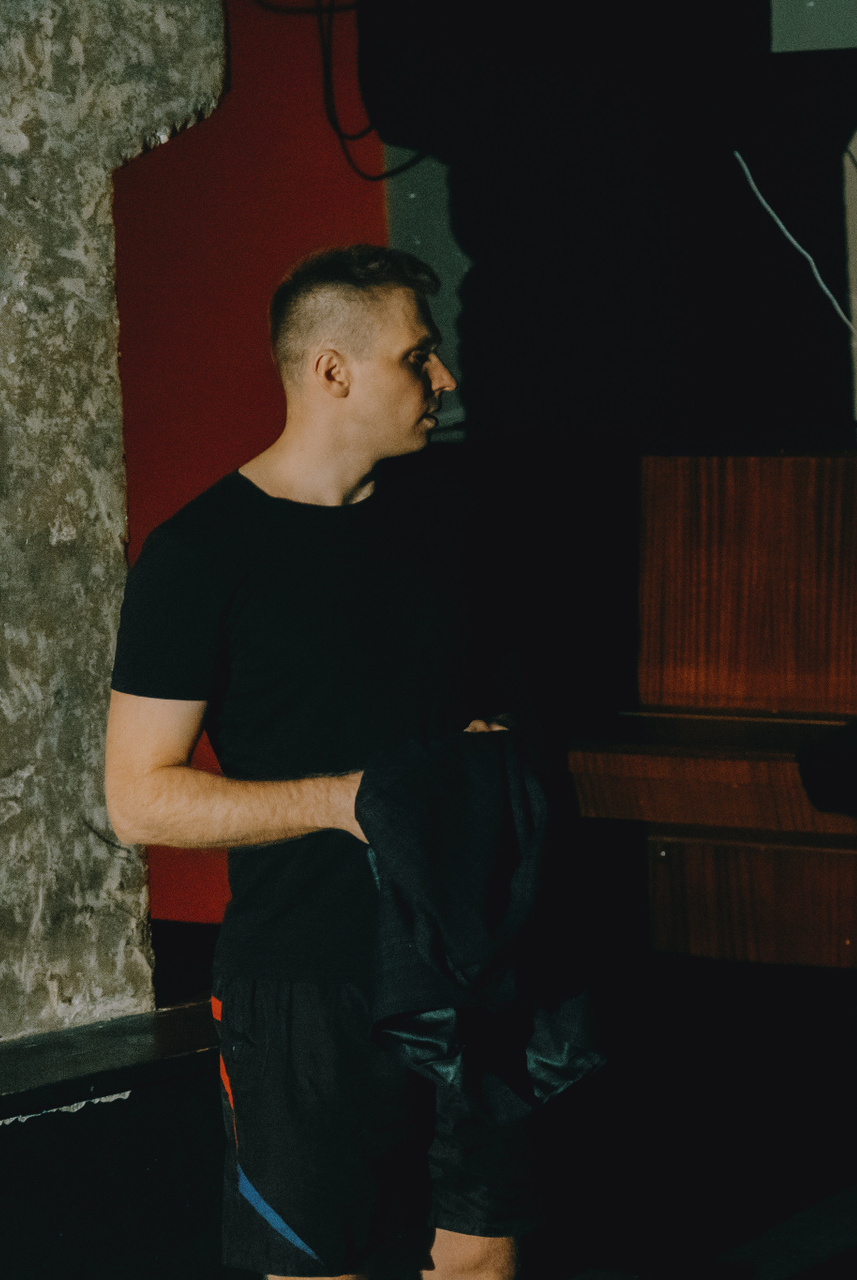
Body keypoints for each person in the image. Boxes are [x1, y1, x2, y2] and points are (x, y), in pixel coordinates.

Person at [104, 246, 519, 1280]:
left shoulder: (448, 521)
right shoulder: (199, 556)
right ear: (333, 370)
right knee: (320, 1271)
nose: (444, 378)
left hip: (467, 958)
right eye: (418, 356)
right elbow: (139, 799)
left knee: (479, 1260)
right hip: (306, 978)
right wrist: (343, 800)